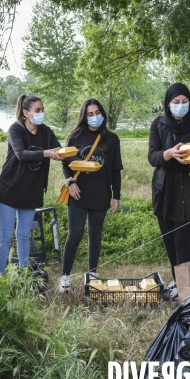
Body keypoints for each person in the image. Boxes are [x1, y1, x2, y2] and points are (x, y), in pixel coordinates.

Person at [148, 83, 190, 300]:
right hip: (164, 188)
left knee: (182, 238)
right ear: (168, 103)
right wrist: (168, 154)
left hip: (189, 186)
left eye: (184, 101)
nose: (181, 106)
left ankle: (185, 289)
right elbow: (152, 157)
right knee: (168, 238)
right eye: (176, 102)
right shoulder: (158, 124)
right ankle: (178, 280)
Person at [58, 98, 123, 293]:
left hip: (101, 194)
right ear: (84, 117)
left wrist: (116, 195)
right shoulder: (75, 136)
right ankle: (65, 277)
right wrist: (70, 183)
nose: (95, 117)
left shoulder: (112, 139)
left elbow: (116, 170)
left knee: (95, 236)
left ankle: (92, 275)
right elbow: (65, 163)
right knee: (74, 235)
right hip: (78, 194)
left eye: (97, 113)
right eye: (90, 114)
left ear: (102, 114)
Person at [0, 94, 62, 275]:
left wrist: (73, 155)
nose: (41, 114)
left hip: (32, 191)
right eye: (37, 111)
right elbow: (21, 154)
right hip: (9, 189)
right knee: (6, 236)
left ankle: (24, 276)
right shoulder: (15, 129)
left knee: (23, 235)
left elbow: (59, 151)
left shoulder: (46, 132)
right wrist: (46, 153)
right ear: (26, 112)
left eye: (42, 110)